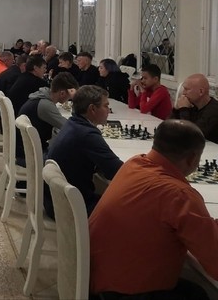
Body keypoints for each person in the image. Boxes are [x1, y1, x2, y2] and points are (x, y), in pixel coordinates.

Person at [89, 119, 218, 299]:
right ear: (192, 159)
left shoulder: (134, 163)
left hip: (96, 274)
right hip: (122, 291)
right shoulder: (180, 195)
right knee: (199, 294)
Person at [45, 85, 122, 218]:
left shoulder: (73, 123)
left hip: (55, 202)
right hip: (71, 209)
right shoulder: (87, 134)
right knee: (129, 209)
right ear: (92, 109)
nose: (108, 110)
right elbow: (117, 171)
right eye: (105, 106)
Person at [17, 71, 78, 163]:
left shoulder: (41, 96)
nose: (69, 99)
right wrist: (76, 101)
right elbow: (70, 128)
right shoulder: (45, 105)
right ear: (62, 93)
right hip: (29, 157)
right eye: (69, 96)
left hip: (25, 151)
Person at [170, 73, 218, 143]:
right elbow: (169, 127)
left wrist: (184, 109)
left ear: (201, 91)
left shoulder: (214, 110)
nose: (183, 93)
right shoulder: (193, 105)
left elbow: (193, 136)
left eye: (187, 89)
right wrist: (176, 109)